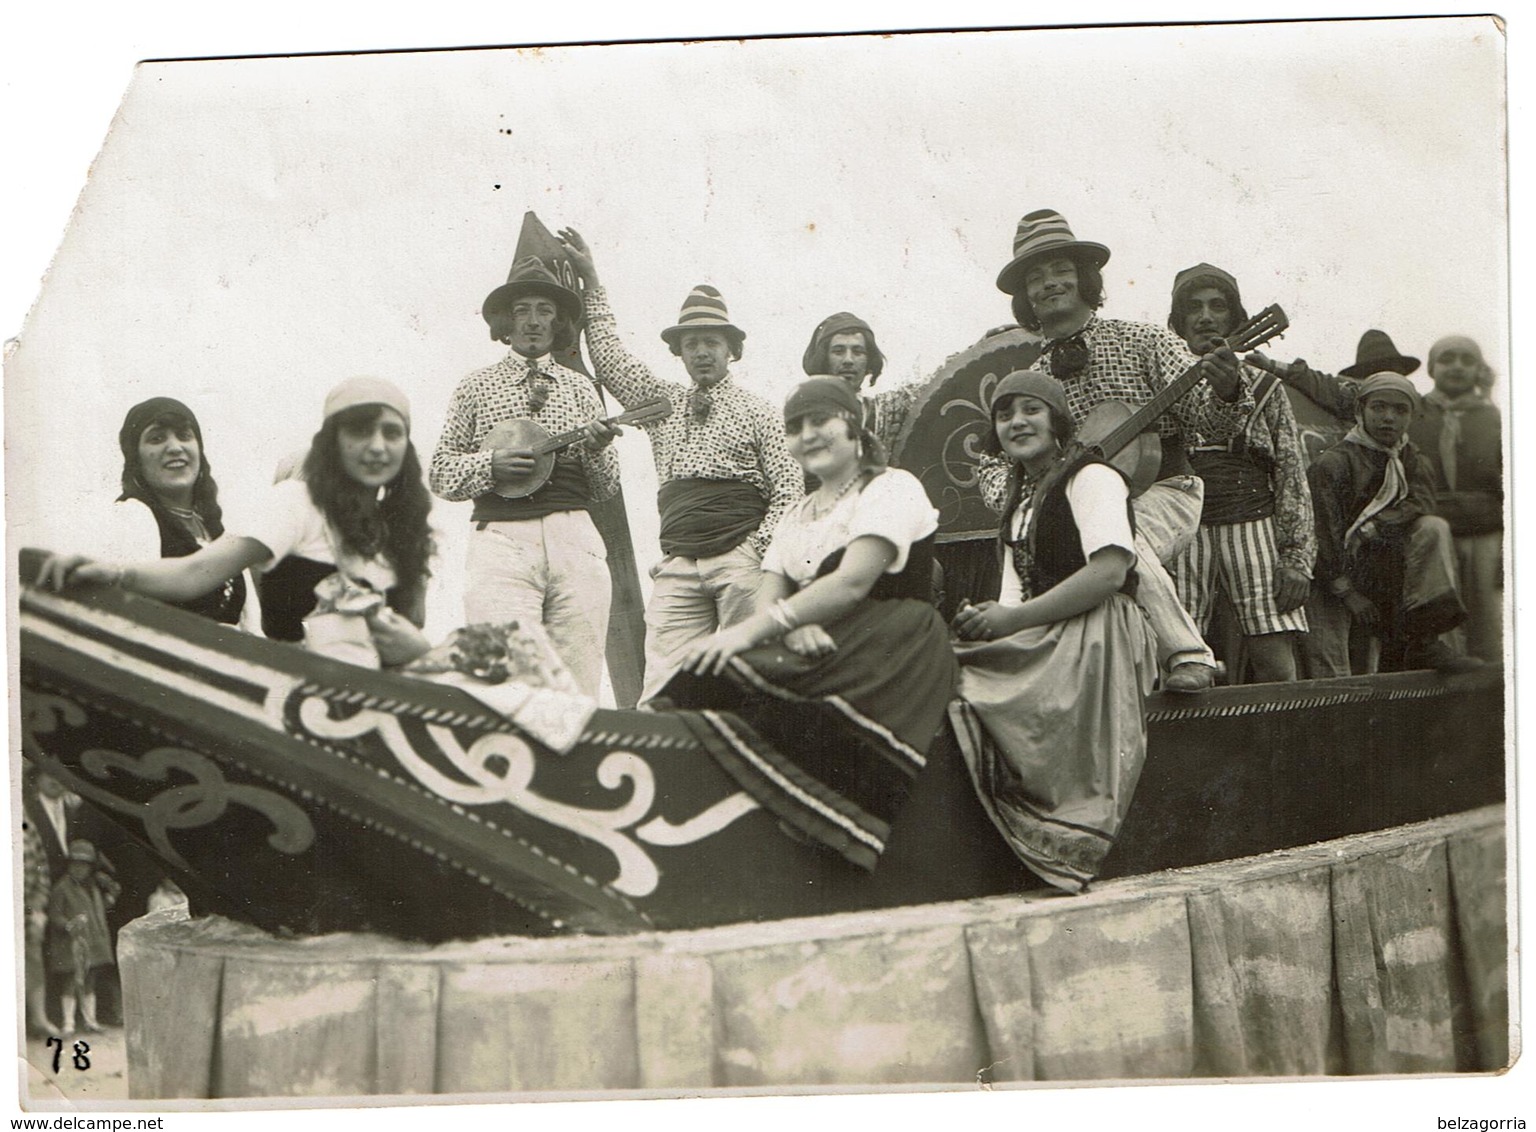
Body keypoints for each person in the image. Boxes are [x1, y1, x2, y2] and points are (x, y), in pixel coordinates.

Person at [659, 377, 954, 871]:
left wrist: (755, 631)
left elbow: (854, 581)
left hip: (895, 637)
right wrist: (790, 629)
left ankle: (819, 819)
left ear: (853, 423)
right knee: (701, 678)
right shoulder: (797, 512)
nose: (807, 435)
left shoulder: (891, 487)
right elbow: (771, 587)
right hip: (823, 632)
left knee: (740, 670)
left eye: (820, 421)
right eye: (795, 427)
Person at [981, 209, 1252, 692]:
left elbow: (1208, 421)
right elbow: (1003, 464)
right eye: (1036, 278)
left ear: (1084, 278)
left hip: (1166, 487)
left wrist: (1228, 390)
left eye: (1061, 270)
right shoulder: (1032, 378)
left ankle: (1189, 654)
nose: (1049, 284)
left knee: (1119, 537)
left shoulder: (1144, 339)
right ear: (1025, 297)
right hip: (1076, 505)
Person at [41, 378, 435, 668]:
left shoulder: (405, 531)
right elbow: (193, 574)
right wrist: (113, 573)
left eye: (392, 432)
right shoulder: (295, 504)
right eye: (360, 431)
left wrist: (419, 652)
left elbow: (406, 633)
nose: (377, 446)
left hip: (384, 699)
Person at [562, 228, 802, 699]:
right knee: (663, 685)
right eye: (691, 343)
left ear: (731, 349)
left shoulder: (759, 410)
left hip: (742, 560)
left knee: (751, 680)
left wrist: (755, 549)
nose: (701, 352)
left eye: (712, 341)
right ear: (680, 352)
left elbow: (790, 489)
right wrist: (592, 282)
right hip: (679, 562)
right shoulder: (663, 404)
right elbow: (610, 360)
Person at [950, 370, 1157, 892]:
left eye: (1030, 410)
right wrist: (987, 623)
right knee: (950, 662)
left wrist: (1014, 622)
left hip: (1100, 628)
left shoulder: (1092, 478)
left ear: (1057, 420)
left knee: (980, 688)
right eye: (1004, 414)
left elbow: (1108, 574)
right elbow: (1013, 598)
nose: (1016, 422)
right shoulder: (1022, 499)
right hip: (1050, 626)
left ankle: (1055, 825)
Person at [430, 256, 621, 698]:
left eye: (544, 311)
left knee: (578, 680)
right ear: (505, 323)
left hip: (575, 537)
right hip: (502, 540)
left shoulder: (579, 388)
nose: (534, 321)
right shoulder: (475, 386)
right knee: (504, 677)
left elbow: (605, 486)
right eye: (522, 311)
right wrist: (488, 466)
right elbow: (440, 472)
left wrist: (596, 450)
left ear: (558, 323)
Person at [1165, 265, 1314, 682]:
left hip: (1251, 520)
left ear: (1235, 318)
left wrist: (1296, 559)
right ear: (1178, 321)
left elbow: (1290, 474)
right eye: (1193, 308)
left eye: (1218, 306)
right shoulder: (1159, 380)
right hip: (1180, 527)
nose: (1206, 317)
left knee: (1272, 650)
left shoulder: (1265, 386)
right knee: (1175, 651)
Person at [1305, 372, 1475, 675]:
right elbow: (1322, 533)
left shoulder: (1412, 459)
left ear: (1411, 416)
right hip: (1332, 577)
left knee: (1434, 527)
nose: (1388, 418)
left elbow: (1422, 502)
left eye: (1400, 410)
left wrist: (1377, 526)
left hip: (1385, 569)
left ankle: (1426, 639)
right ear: (1360, 411)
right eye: (1379, 407)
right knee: (1333, 672)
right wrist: (1347, 592)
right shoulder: (1333, 463)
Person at [1410, 336, 1503, 664]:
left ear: (1479, 369)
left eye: (1468, 360)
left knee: (1490, 631)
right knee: (1445, 631)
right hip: (1436, 536)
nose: (1458, 366)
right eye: (1448, 359)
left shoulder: (1495, 419)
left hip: (1487, 536)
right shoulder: (1414, 413)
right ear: (1432, 367)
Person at [800, 311, 919, 459]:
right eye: (838, 351)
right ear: (824, 359)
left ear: (869, 361)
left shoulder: (884, 411)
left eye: (858, 352)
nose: (848, 360)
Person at [45, 840, 117, 1037]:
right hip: (71, 943)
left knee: (90, 980)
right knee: (71, 980)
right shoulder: (62, 888)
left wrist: (109, 898)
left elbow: (97, 911)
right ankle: (68, 1023)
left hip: (92, 943)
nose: (79, 869)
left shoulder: (93, 889)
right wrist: (68, 924)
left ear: (90, 867)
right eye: (75, 863)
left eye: (84, 865)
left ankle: (90, 1021)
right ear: (69, 864)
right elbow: (54, 914)